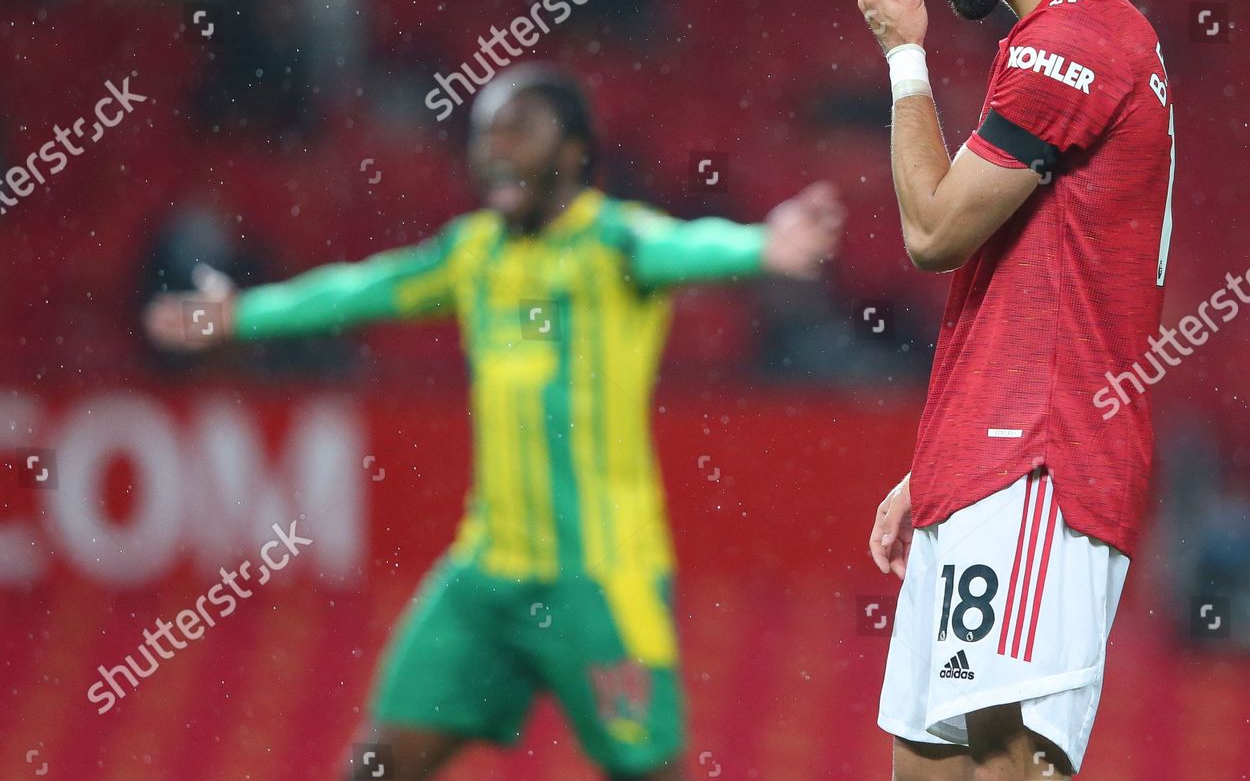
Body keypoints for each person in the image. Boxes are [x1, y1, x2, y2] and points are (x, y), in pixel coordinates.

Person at [143, 64, 844, 781]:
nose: (497, 150)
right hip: (486, 575)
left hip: (600, 580)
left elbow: (685, 245)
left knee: (650, 773)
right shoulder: (473, 253)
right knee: (378, 765)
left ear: (574, 151)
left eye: (520, 131)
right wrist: (242, 315)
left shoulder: (614, 243)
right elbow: (368, 289)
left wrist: (762, 245)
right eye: (486, 135)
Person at [857, 0, 1174, 780]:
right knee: (926, 764)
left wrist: (905, 59)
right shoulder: (1064, 39)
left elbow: (935, 230)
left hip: (1043, 461)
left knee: (1004, 765)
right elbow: (1027, 274)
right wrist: (942, 460)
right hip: (988, 457)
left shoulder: (1075, 41)